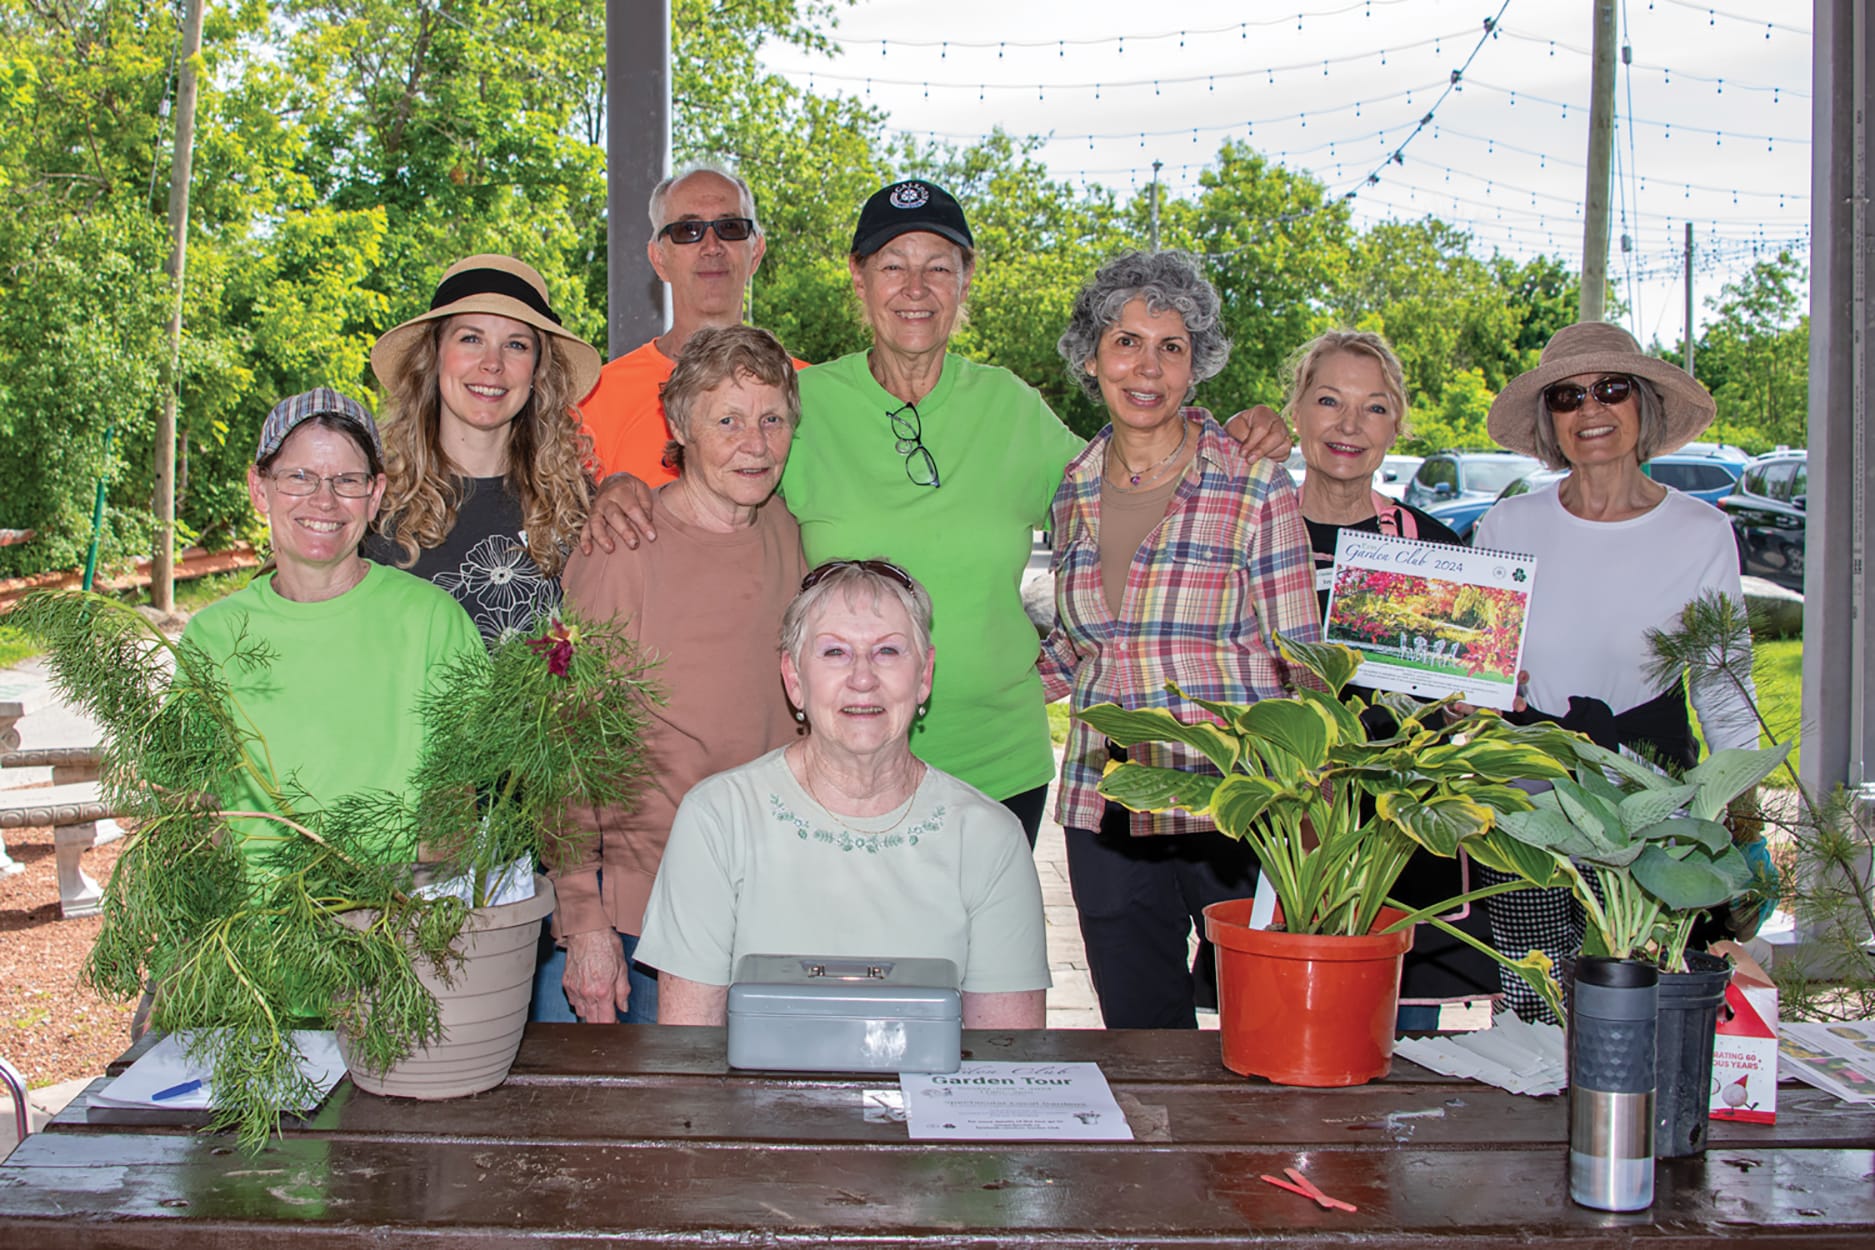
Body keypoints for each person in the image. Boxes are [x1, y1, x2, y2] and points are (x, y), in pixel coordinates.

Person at [585, 179, 1293, 846]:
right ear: (858, 280)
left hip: (998, 766)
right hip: (845, 765)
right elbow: (712, 503)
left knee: (990, 976)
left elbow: (1136, 484)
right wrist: (620, 487)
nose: (915, 289)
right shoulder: (804, 404)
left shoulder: (1009, 405)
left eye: (938, 267)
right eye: (893, 266)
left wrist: (1225, 430)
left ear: (966, 280)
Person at [1038, 251, 1321, 1029]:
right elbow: (1079, 647)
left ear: (1196, 367)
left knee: (1266, 1032)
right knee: (1138, 1037)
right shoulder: (1071, 489)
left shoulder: (1255, 484)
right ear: (1090, 355)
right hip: (1109, 803)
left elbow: (1305, 664)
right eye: (1126, 341)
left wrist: (1315, 809)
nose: (1147, 367)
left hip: (1233, 805)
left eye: (1171, 347)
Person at [1474, 320, 1759, 1021]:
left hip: (1651, 808)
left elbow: (1724, 690)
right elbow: (1474, 672)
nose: (1590, 410)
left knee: (1638, 1006)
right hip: (1525, 802)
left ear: (1644, 405)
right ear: (1549, 421)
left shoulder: (1699, 532)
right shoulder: (1506, 525)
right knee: (1535, 1006)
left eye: (1610, 389)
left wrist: (1743, 820)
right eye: (1567, 397)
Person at [636, 560, 1050, 1027]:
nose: (862, 678)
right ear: (794, 679)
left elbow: (1005, 1056)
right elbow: (690, 1051)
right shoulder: (718, 819)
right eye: (834, 652)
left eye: (888, 651)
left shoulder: (988, 838)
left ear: (925, 676)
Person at [536, 326, 808, 1024]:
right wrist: (583, 921)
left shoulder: (785, 528)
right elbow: (562, 740)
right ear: (680, 425)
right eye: (727, 420)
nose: (754, 442)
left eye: (771, 418)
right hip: (648, 914)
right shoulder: (623, 549)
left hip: (768, 897)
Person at [1280, 330, 1498, 1024]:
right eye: (1328, 401)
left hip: (1405, 849)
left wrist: (1479, 702)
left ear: (1395, 425)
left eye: (1372, 408)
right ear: (1295, 411)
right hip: (1287, 839)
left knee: (1415, 1064)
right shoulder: (1254, 536)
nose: (1348, 425)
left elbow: (1467, 702)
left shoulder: (1435, 550)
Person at [182, 388, 484, 859]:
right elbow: (195, 806)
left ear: (374, 494)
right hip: (262, 925)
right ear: (259, 489)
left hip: (395, 913)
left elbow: (453, 805)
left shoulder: (432, 623)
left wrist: (407, 911)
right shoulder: (213, 635)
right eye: (299, 477)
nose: (323, 500)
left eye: (346, 480)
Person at [366, 253, 602, 644]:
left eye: (516, 345)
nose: (492, 363)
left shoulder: (577, 508)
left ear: (538, 371)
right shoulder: (375, 508)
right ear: (434, 355)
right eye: (471, 338)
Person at [577, 164, 803, 485]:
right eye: (688, 231)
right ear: (659, 259)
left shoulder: (810, 390)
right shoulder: (596, 402)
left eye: (731, 227)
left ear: (756, 253)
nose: (711, 247)